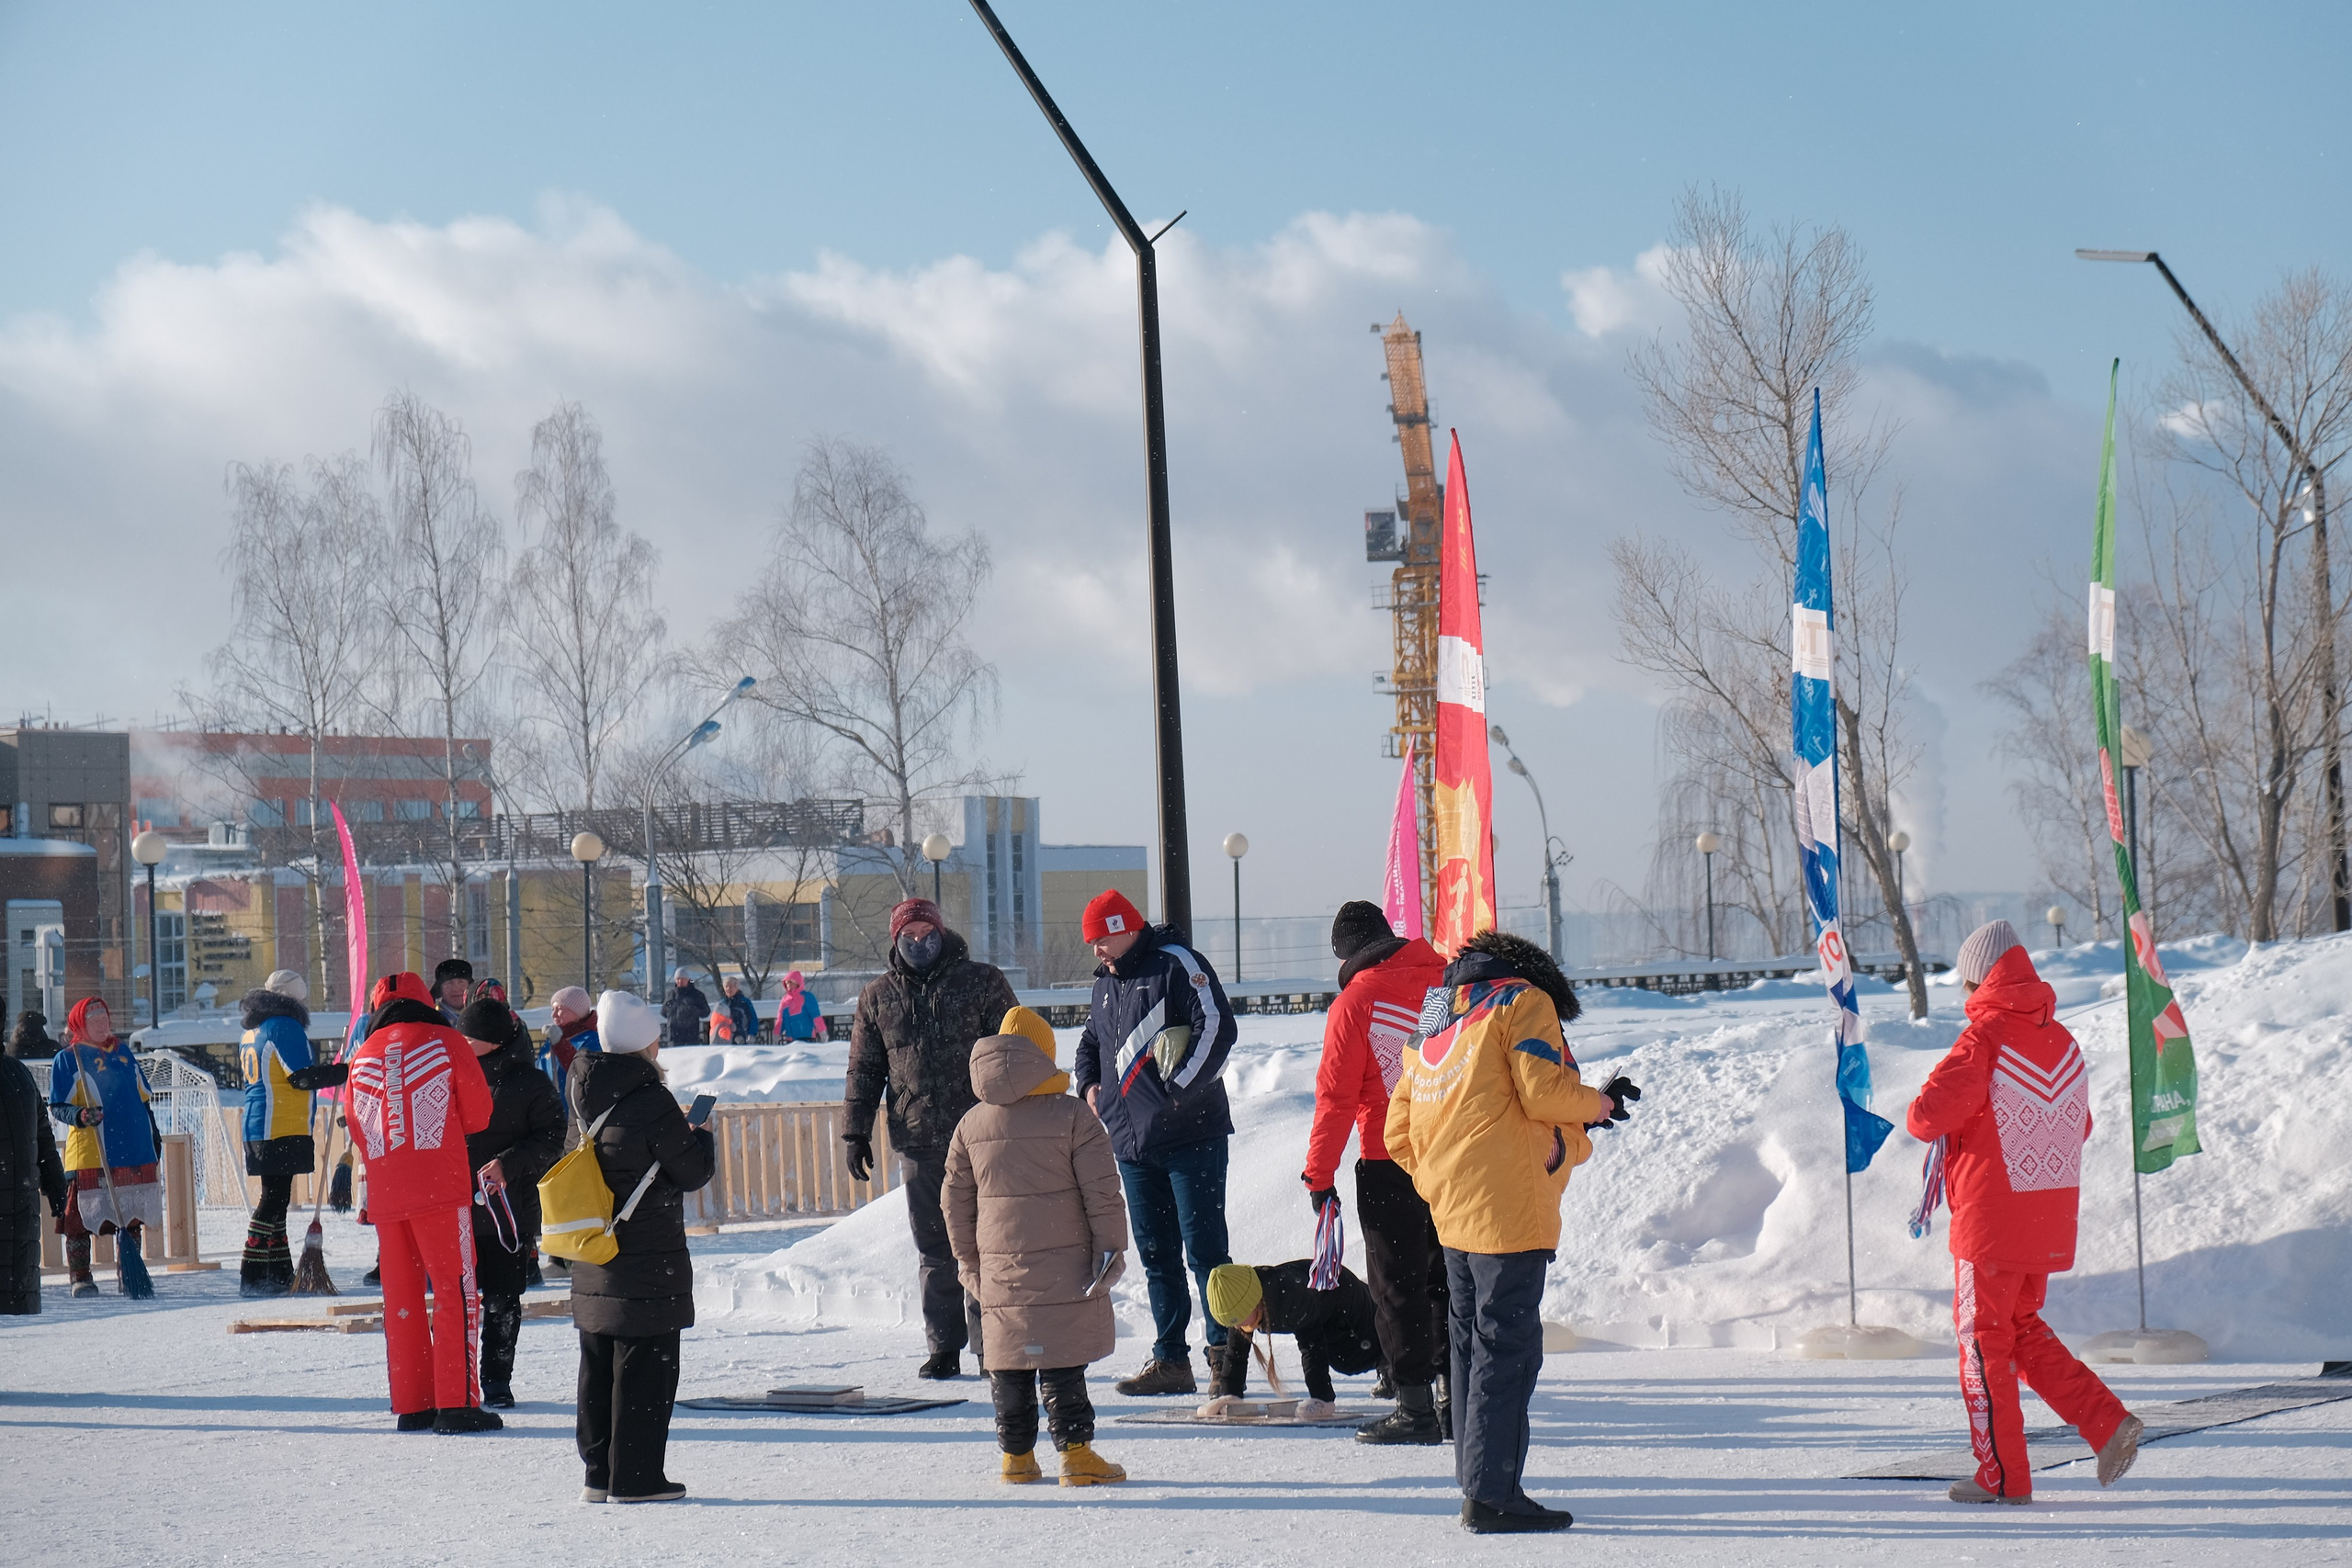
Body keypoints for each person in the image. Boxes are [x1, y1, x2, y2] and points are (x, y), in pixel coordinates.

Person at [1385, 930, 1637, 1535]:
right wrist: (1598, 1107)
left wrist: (1443, 1176)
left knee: (1471, 1345)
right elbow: (1542, 1089)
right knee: (1508, 1349)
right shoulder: (1525, 1000)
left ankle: (1476, 1482)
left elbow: (1399, 1129)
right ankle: (1494, 1493)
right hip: (1509, 1212)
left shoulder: (1438, 1008)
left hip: (1454, 1214)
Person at [1908, 919, 2143, 1506]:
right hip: (2046, 1215)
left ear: (1978, 979)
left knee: (1982, 1342)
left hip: (1990, 1220)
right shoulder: (2062, 1040)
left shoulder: (1982, 1040)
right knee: (2019, 1331)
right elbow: (2078, 1125)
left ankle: (2003, 1476)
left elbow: (1925, 1117)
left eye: (1965, 984)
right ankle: (2107, 1424)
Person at [943, 1007, 1130, 1487]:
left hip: (998, 1271)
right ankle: (1077, 1455)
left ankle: (1017, 1459)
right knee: (1064, 1360)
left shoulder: (970, 1124)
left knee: (1008, 1363)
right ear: (1044, 1057)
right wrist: (1110, 1249)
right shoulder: (1073, 1118)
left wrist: (969, 1263)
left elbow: (954, 1204)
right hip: (1066, 1266)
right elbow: (1102, 1192)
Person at [1069, 887, 1238, 1397]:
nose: (1096, 950)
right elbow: (1090, 1044)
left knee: (1205, 1252)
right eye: (1091, 942)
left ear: (1126, 928)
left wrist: (1177, 1090)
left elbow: (1219, 1028)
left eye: (1102, 938)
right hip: (1131, 1144)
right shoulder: (1103, 986)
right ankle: (1171, 1360)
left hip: (1192, 1138)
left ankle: (1223, 1359)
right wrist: (1089, 1085)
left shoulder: (1177, 963)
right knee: (1156, 1255)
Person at [842, 896, 1019, 1379]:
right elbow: (865, 1068)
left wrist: (1017, 1114)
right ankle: (944, 1345)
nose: (920, 944)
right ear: (896, 941)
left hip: (982, 1135)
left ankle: (993, 1347)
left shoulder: (982, 981)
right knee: (935, 1248)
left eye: (928, 935)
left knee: (986, 1243)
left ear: (943, 935)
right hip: (918, 1138)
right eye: (910, 937)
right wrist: (854, 1133)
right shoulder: (877, 996)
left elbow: (1014, 1051)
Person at [1304, 900, 1451, 1444]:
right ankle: (1456, 1401)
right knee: (1451, 1279)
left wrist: (1319, 1177)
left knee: (1399, 1287)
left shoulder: (1355, 1001)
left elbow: (1336, 1100)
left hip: (1390, 1160)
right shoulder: (1447, 985)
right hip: (1452, 1155)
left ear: (1346, 954)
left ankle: (1414, 1409)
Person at [568, 988, 716, 1504]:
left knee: (598, 1362)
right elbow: (692, 1172)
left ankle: (599, 1475)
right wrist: (699, 1133)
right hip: (646, 1253)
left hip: (593, 1248)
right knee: (645, 1366)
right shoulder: (651, 1099)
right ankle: (637, 1478)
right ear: (647, 1043)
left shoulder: (581, 1090)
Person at [346, 972, 498, 1433]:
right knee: (456, 1292)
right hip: (440, 1188)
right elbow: (479, 1115)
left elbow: (357, 1130)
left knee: (402, 1298)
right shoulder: (447, 1041)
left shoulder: (362, 1055)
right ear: (423, 1002)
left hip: (388, 1194)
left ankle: (413, 1403)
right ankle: (457, 1403)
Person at [458, 995, 564, 1407]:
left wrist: (508, 1162)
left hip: (508, 1210)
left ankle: (496, 1380)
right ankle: (458, 1380)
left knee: (503, 1300)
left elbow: (552, 1138)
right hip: (458, 1206)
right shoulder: (453, 1074)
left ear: (491, 1041)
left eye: (468, 1036)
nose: (460, 1040)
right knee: (457, 1298)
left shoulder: (530, 1082)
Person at [47, 998, 164, 1299]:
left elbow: (143, 1099)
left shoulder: (124, 1053)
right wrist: (80, 1115)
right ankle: (81, 1276)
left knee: (131, 1215)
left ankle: (130, 1272)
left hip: (133, 1147)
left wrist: (154, 1135)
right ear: (79, 1024)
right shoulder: (68, 1058)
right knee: (79, 1217)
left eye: (104, 1016)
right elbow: (58, 1106)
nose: (101, 1023)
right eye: (93, 1018)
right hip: (92, 1149)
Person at [237, 969, 329, 1297]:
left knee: (277, 1198)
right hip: (279, 1124)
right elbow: (301, 1077)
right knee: (272, 1201)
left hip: (260, 1123)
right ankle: (253, 1271)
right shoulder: (284, 1025)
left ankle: (277, 1268)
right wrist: (344, 1070)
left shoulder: (254, 1028)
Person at [1202, 1259, 1382, 1416]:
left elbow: (1311, 1347)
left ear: (1253, 1303)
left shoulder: (1289, 1298)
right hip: (1319, 1305)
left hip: (1345, 1297)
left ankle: (1395, 1371)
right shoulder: (1244, 1298)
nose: (1237, 1326)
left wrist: (1321, 1398)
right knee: (1344, 1357)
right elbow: (1236, 1352)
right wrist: (1230, 1394)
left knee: (1354, 1357)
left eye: (1238, 1319)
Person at [1, 1043, 67, 1313]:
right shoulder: (20, 1074)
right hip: (20, 1214)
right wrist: (55, 1183)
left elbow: (41, 1136)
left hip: (19, 1210)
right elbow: (44, 1138)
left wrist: (55, 1182)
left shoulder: (19, 1075)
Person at [541, 987, 600, 1109]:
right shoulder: (551, 1041)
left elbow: (582, 1073)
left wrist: (559, 1044)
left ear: (577, 1013)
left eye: (560, 1009)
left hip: (577, 1115)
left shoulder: (592, 1040)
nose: (554, 1014)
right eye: (553, 1009)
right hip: (549, 1115)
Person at [775, 970, 827, 1043]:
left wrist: (822, 1032)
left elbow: (816, 1016)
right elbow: (780, 1020)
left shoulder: (807, 997)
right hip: (790, 1039)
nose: (788, 984)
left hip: (806, 1037)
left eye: (790, 982)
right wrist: (776, 1034)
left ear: (797, 982)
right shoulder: (784, 1000)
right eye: (786, 983)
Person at [662, 969, 709, 1046]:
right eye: (678, 979)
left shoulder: (697, 995)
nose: (680, 981)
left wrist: (693, 1010)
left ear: (687, 979)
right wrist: (670, 1009)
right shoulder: (670, 994)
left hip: (690, 1036)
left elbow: (706, 1012)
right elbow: (663, 1012)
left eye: (683, 979)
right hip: (673, 1037)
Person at [432, 958, 475, 1025]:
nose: (456, 989)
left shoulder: (479, 1015)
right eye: (449, 983)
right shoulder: (433, 1018)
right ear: (440, 989)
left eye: (461, 982)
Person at [719, 976, 760, 1043]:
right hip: (725, 1040)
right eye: (726, 986)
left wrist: (751, 1034)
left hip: (743, 1039)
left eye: (731, 986)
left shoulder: (745, 1003)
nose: (728, 989)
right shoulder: (721, 1004)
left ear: (736, 987)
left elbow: (753, 1019)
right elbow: (717, 1022)